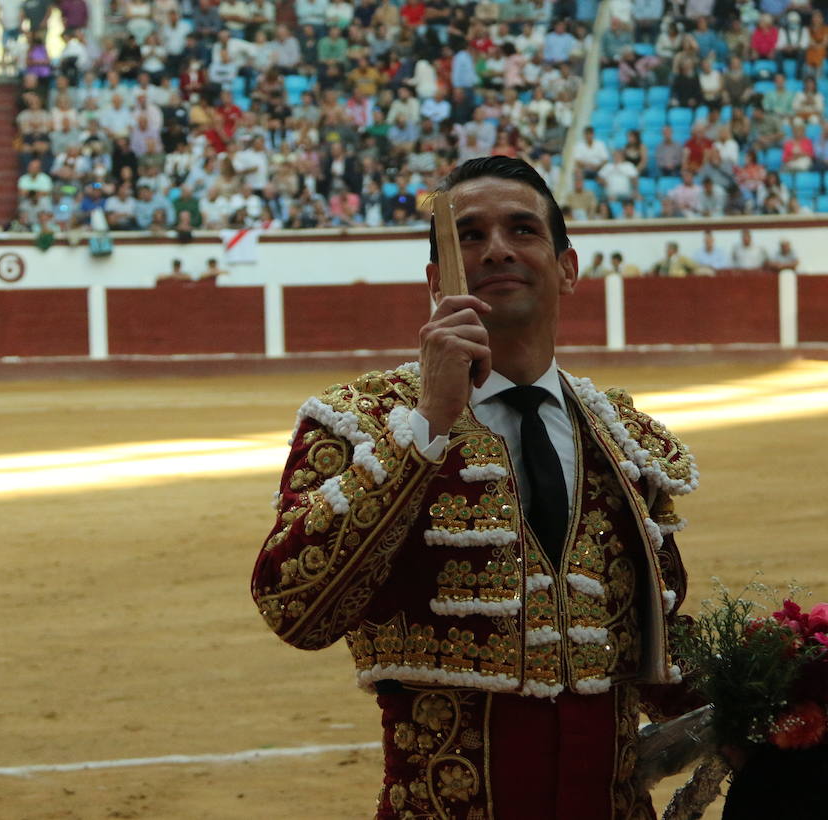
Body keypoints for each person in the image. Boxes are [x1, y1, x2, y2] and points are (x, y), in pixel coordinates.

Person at [252, 157, 698, 819]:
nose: (497, 250)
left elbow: (645, 642)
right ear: (438, 282)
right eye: (469, 236)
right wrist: (428, 422)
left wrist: (786, 685)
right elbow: (294, 606)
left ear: (567, 267)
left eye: (522, 230)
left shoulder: (628, 441)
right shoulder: (362, 422)